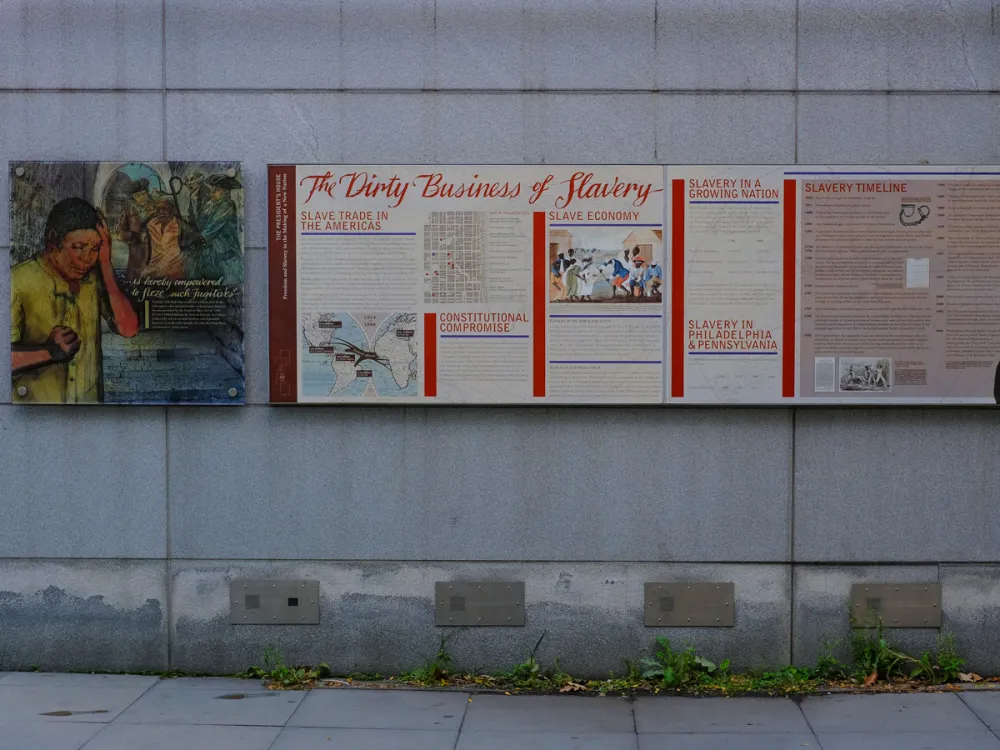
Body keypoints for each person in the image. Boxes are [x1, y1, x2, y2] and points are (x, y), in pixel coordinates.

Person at [11, 198, 140, 403]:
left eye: (95, 247)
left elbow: (128, 328)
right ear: (53, 242)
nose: (88, 259)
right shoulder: (17, 282)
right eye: (79, 247)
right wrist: (47, 352)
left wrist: (105, 263)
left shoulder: (94, 276)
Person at [193, 173, 243, 284]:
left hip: (226, 254)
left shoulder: (227, 205)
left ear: (226, 192)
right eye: (212, 189)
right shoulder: (209, 204)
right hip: (211, 254)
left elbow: (213, 227)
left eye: (217, 189)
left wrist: (198, 239)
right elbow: (199, 223)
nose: (212, 192)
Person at [117, 178, 155, 281]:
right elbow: (120, 234)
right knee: (135, 282)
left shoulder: (156, 208)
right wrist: (135, 236)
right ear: (133, 197)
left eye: (143, 194)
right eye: (138, 195)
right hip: (137, 254)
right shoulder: (128, 212)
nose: (141, 198)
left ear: (147, 193)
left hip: (156, 252)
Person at [143, 198, 185, 280]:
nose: (161, 212)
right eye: (158, 209)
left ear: (173, 210)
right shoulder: (151, 225)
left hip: (175, 275)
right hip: (153, 275)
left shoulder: (182, 227)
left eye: (165, 208)